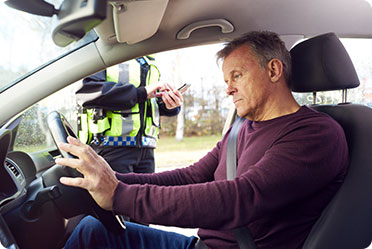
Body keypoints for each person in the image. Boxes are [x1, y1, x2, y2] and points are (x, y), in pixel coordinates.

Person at [57, 31, 349, 249]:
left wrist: (120, 196)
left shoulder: (316, 134)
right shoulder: (243, 128)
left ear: (273, 70)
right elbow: (192, 175)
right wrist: (111, 178)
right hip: (201, 245)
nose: (229, 90)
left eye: (237, 75)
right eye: (226, 81)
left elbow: (242, 198)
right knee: (92, 231)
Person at [75, 56, 183, 174]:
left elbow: (148, 102)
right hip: (112, 149)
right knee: (117, 193)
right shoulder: (103, 57)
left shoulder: (148, 60)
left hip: (146, 150)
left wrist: (168, 105)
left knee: (146, 192)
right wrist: (141, 93)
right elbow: (87, 92)